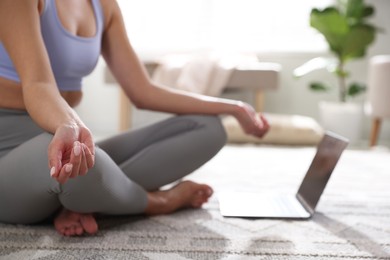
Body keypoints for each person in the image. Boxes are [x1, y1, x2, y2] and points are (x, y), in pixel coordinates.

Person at [0, 0, 269, 237]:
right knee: (79, 167)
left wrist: (234, 108)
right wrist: (70, 126)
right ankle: (157, 202)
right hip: (9, 152)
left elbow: (143, 91)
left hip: (58, 137)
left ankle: (86, 199)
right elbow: (38, 85)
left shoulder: (104, 5)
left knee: (208, 128)